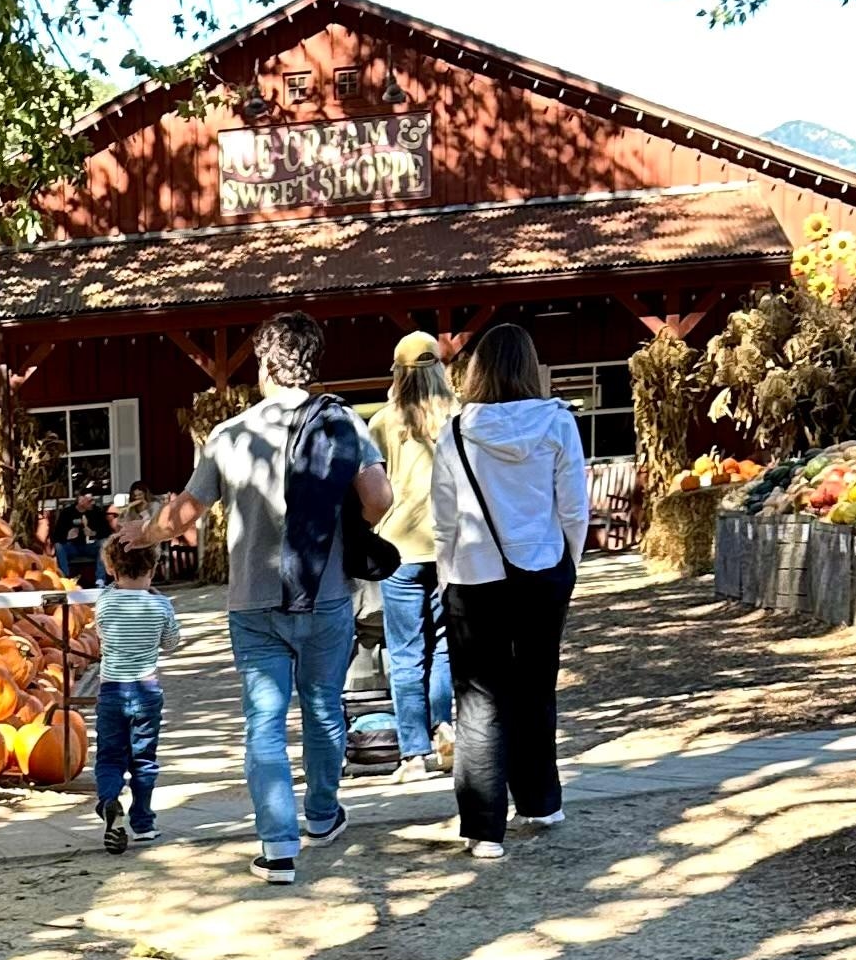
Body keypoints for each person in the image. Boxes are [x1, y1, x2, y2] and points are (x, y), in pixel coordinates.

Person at [184, 311, 390, 871]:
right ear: (311, 362)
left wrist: (141, 532)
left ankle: (277, 846)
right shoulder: (342, 422)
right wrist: (347, 523)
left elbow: (187, 510)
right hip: (325, 592)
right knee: (323, 708)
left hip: (252, 601)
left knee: (265, 722)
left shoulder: (230, 435)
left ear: (265, 364)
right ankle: (321, 814)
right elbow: (379, 498)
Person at [431, 320, 587, 860]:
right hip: (542, 570)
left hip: (473, 575)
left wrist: (446, 574)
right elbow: (573, 505)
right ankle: (540, 801)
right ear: (529, 367)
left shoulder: (454, 432)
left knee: (480, 700)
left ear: (477, 370)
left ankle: (483, 827)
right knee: (536, 688)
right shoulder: (558, 422)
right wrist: (568, 561)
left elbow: (444, 517)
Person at [368, 330, 456, 773]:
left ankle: (413, 752)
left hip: (398, 548)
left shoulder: (383, 422)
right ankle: (444, 728)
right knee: (443, 646)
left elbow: (373, 487)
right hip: (450, 547)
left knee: (405, 654)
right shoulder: (459, 418)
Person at [88, 531, 180, 853]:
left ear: (111, 569)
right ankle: (143, 822)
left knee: (110, 756)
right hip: (146, 691)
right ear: (153, 567)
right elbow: (171, 643)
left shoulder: (104, 603)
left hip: (111, 691)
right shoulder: (160, 605)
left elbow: (102, 636)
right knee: (144, 758)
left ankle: (109, 801)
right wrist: (158, 601)